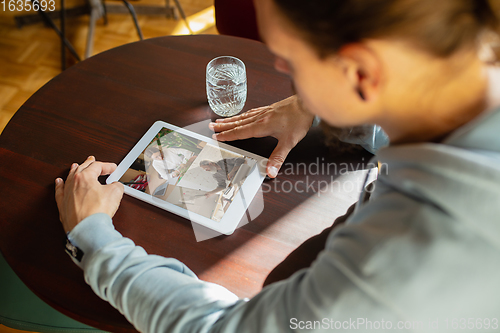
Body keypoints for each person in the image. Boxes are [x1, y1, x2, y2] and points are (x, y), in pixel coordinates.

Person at [55, 0, 500, 332]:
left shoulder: (402, 256)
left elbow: (214, 327)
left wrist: (94, 237)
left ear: (360, 73)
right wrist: (326, 107)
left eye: (290, 58)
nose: (279, 66)